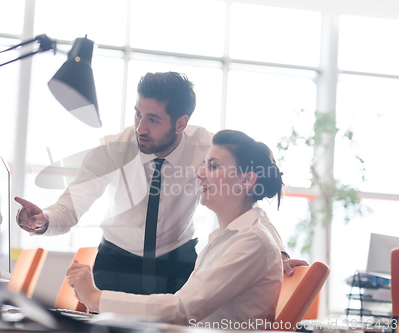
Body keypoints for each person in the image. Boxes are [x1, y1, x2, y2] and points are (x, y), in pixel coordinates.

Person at [15, 72, 305, 295]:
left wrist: (276, 253)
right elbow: (71, 204)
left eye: (153, 119)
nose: (140, 128)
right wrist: (43, 220)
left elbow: (247, 203)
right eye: (138, 114)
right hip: (116, 263)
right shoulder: (113, 147)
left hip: (178, 263)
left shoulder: (208, 147)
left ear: (181, 123)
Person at [66, 130, 285, 326]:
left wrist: (95, 297)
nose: (200, 174)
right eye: (204, 164)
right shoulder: (225, 239)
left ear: (247, 180)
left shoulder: (251, 241)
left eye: (214, 166)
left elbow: (181, 310)